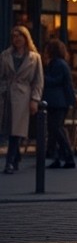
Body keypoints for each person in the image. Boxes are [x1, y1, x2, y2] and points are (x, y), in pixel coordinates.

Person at [2, 26, 43, 175]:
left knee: (16, 130)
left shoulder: (34, 57)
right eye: (14, 36)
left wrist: (35, 99)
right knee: (10, 129)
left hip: (23, 95)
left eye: (19, 36)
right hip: (7, 95)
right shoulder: (5, 55)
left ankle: (9, 162)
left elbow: (38, 81)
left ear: (26, 38)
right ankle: (16, 157)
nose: (17, 39)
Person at [40, 39, 77, 170]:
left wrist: (41, 77)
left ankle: (67, 157)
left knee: (57, 129)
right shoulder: (59, 63)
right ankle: (58, 157)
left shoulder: (58, 64)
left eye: (47, 49)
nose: (45, 52)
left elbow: (56, 80)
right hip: (58, 101)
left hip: (58, 101)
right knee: (54, 130)